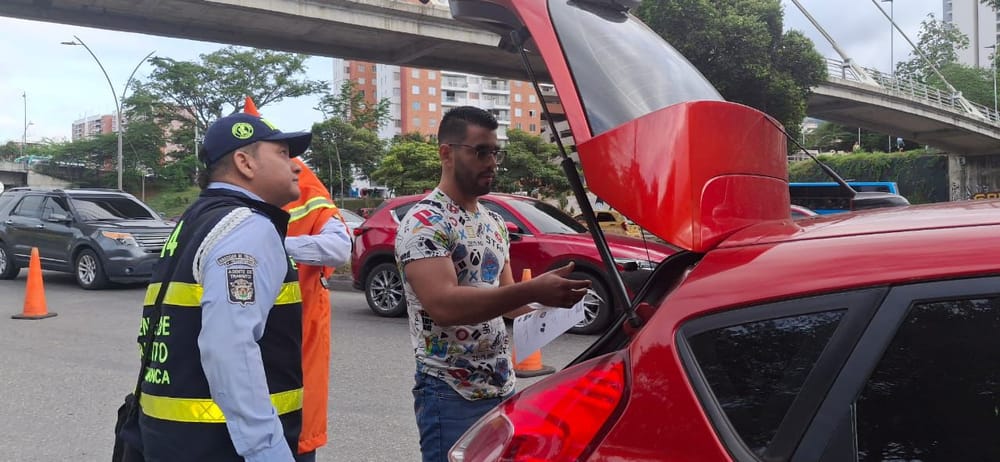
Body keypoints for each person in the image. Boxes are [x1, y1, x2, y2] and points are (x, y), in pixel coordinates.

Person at [395, 106, 592, 462]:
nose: (492, 162)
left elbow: (508, 298)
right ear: (446, 153)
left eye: (494, 152)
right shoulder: (424, 221)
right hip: (450, 392)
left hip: (501, 385)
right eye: (481, 152)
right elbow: (443, 306)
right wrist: (533, 289)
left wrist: (556, 303)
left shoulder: (493, 222)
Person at [132, 110, 312, 461]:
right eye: (282, 154)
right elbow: (228, 346)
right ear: (245, 162)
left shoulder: (196, 220)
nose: (296, 166)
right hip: (220, 447)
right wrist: (267, 451)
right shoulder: (248, 228)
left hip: (167, 438)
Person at [282, 156, 352, 461]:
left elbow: (339, 247)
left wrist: (271, 244)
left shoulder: (306, 188)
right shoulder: (223, 204)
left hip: (296, 347)